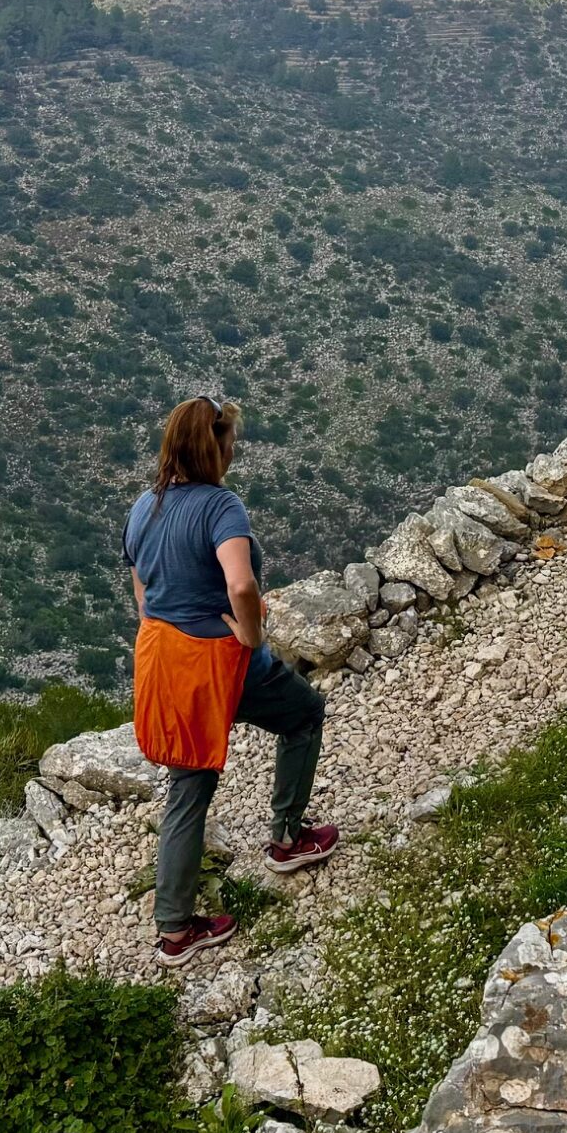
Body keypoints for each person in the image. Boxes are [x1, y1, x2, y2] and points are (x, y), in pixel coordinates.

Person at [123, 395, 338, 962]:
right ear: (213, 448)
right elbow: (241, 587)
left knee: (188, 788)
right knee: (304, 715)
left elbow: (141, 586)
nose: (234, 449)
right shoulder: (223, 508)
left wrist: (165, 618)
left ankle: (174, 928)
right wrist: (251, 636)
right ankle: (288, 839)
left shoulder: (145, 506)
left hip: (167, 660)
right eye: (230, 441)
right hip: (222, 664)